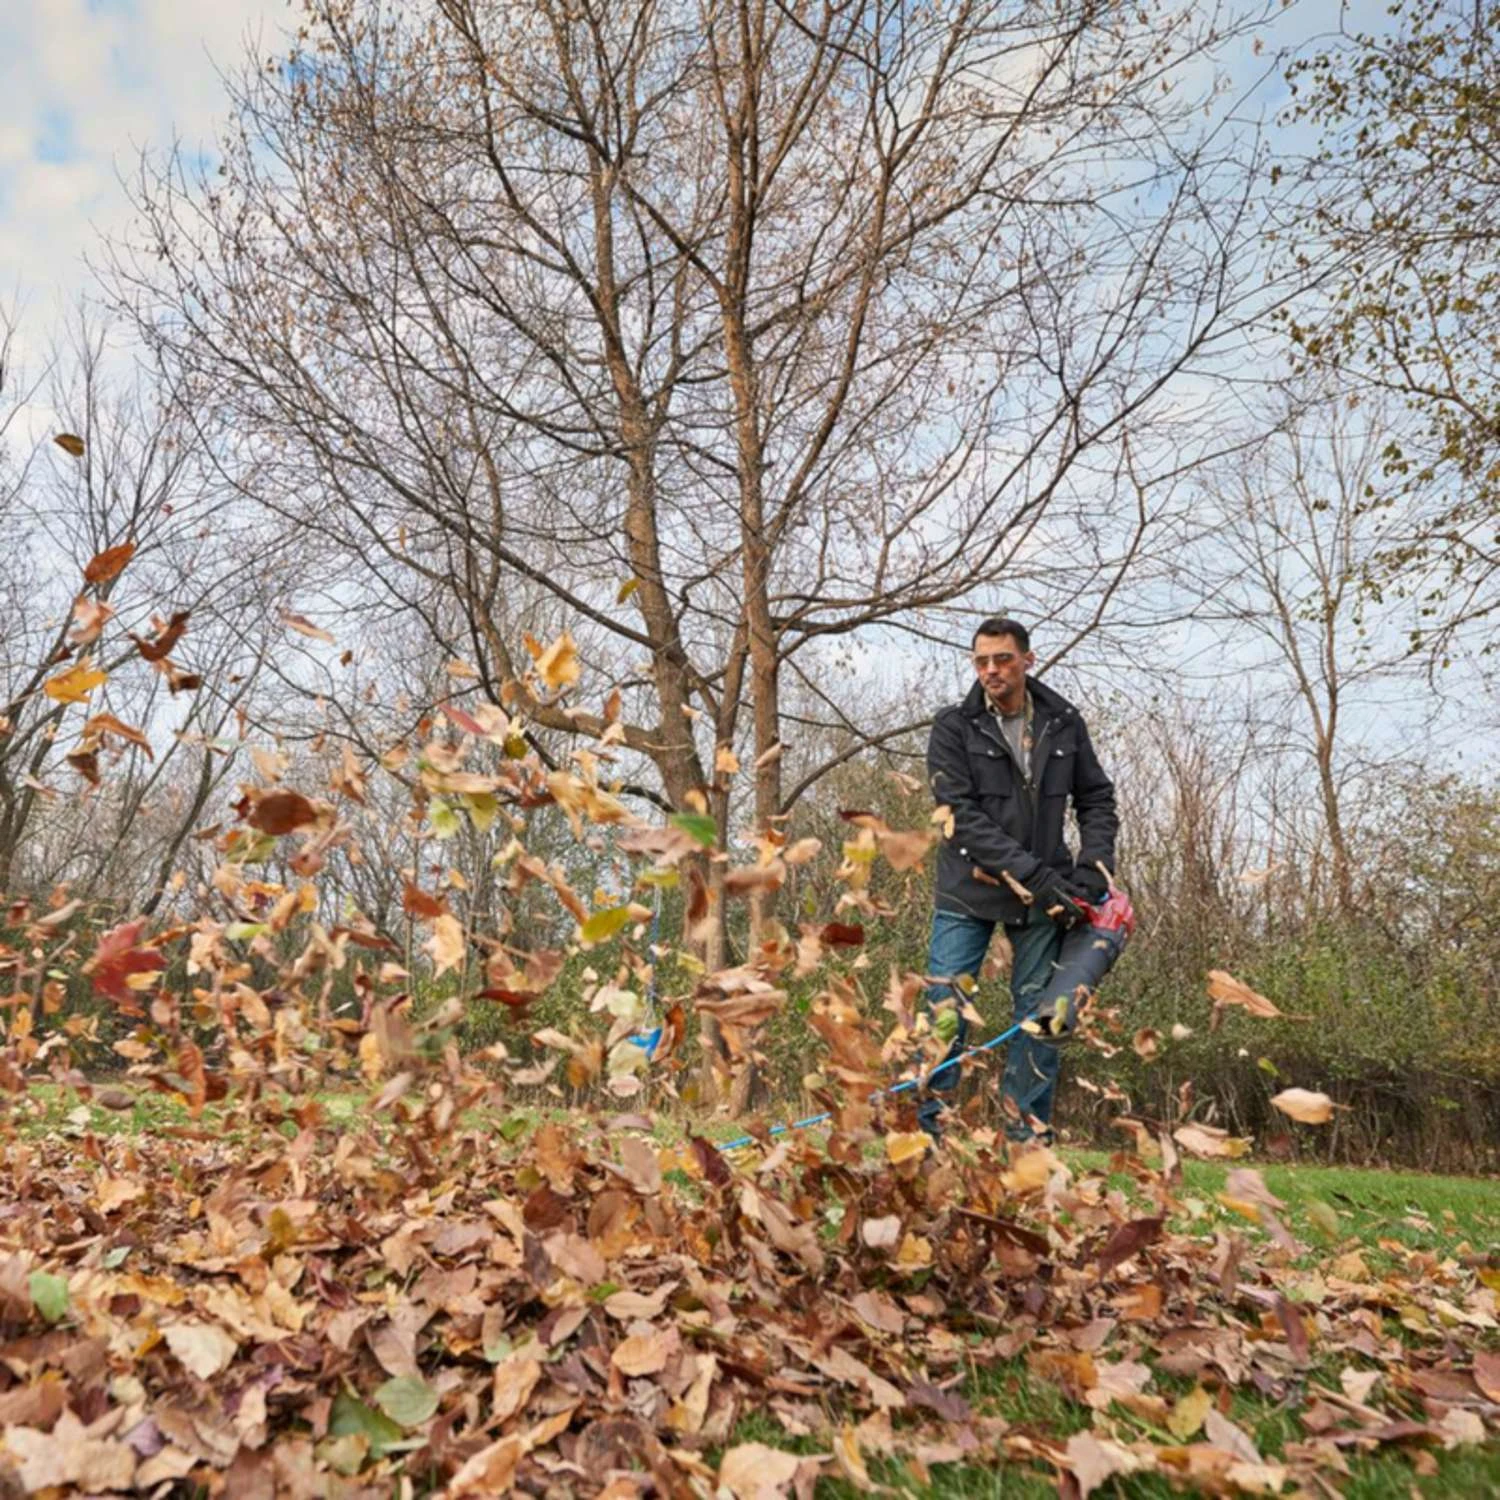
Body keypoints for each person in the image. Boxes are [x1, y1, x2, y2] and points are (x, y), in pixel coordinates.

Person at [921, 617, 1118, 1143]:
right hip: (969, 892)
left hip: (1047, 901)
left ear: (1028, 660)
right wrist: (1033, 875)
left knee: (1046, 1016)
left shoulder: (1064, 722)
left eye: (1003, 659)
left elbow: (1097, 799)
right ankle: (926, 1136)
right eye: (981, 661)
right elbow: (957, 814)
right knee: (945, 1010)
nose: (991, 670)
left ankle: (1026, 1137)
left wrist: (1092, 870)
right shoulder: (954, 727)